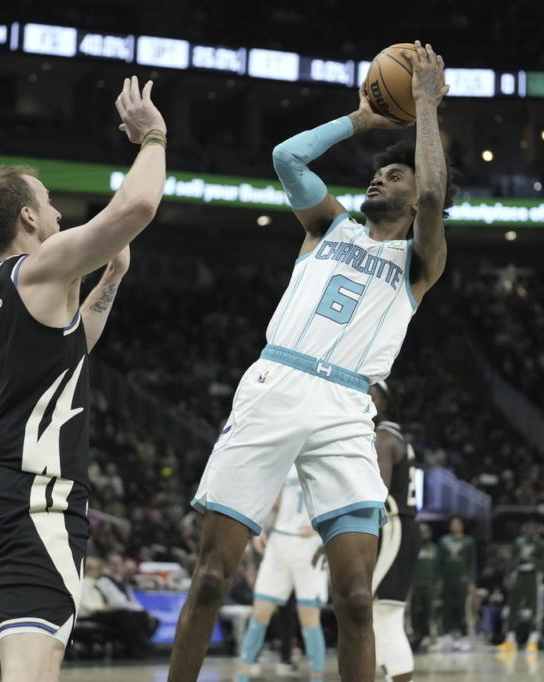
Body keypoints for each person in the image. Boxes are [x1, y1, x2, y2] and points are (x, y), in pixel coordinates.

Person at [168, 42, 453, 682]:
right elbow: (286, 157)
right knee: (211, 577)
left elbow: (436, 194)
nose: (380, 179)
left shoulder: (419, 262)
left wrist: (426, 105)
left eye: (396, 177)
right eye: (378, 173)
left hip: (347, 407)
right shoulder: (328, 225)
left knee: (355, 599)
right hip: (277, 380)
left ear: (414, 202)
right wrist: (360, 120)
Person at [0, 76, 167, 682]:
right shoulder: (39, 268)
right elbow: (138, 207)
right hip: (31, 496)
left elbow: (67, 354)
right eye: (48, 203)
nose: (58, 213)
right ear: (27, 216)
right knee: (30, 672)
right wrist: (153, 137)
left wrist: (110, 280)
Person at [235, 467, 328, 682]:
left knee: (309, 617)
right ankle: (241, 675)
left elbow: (339, 499)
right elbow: (273, 500)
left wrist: (323, 526)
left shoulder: (326, 459)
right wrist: (260, 528)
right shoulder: (285, 460)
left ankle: (317, 677)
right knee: (260, 612)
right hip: (279, 542)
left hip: (310, 546)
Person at [369, 380, 422, 682]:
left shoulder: (382, 437)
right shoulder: (398, 435)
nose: (365, 399)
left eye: (372, 396)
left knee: (383, 614)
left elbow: (376, 493)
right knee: (382, 614)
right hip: (403, 526)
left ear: (386, 403)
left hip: (395, 525)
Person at [496, 521, 544, 653]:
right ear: (524, 530)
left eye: (532, 529)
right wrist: (508, 575)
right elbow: (512, 560)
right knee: (513, 606)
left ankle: (533, 640)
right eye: (527, 529)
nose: (529, 531)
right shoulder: (518, 542)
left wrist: (532, 559)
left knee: (534, 607)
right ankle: (510, 639)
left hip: (533, 575)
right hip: (519, 574)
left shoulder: (541, 544)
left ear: (537, 531)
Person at [97, 553, 159, 654]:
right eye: (114, 563)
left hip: (125, 609)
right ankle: (141, 646)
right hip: (111, 611)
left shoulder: (122, 581)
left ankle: (141, 645)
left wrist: (144, 611)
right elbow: (117, 602)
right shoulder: (104, 580)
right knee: (128, 615)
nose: (117, 566)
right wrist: (137, 610)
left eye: (119, 563)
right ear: (107, 565)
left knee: (148, 617)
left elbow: (132, 600)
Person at [438, 517, 477, 640]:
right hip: (448, 579)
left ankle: (464, 634)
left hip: (463, 580)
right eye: (452, 523)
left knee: (462, 607)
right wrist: (439, 580)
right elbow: (439, 563)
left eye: (457, 524)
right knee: (447, 607)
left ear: (462, 526)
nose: (454, 526)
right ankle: (446, 633)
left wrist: (471, 581)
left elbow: (472, 563)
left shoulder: (468, 541)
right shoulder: (443, 541)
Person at [410, 524, 439, 649]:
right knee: (415, 611)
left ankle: (429, 635)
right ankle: (416, 634)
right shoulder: (412, 548)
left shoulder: (434, 548)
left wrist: (439, 583)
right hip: (416, 584)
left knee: (429, 611)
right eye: (421, 532)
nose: (424, 534)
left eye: (426, 532)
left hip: (430, 584)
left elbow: (439, 567)